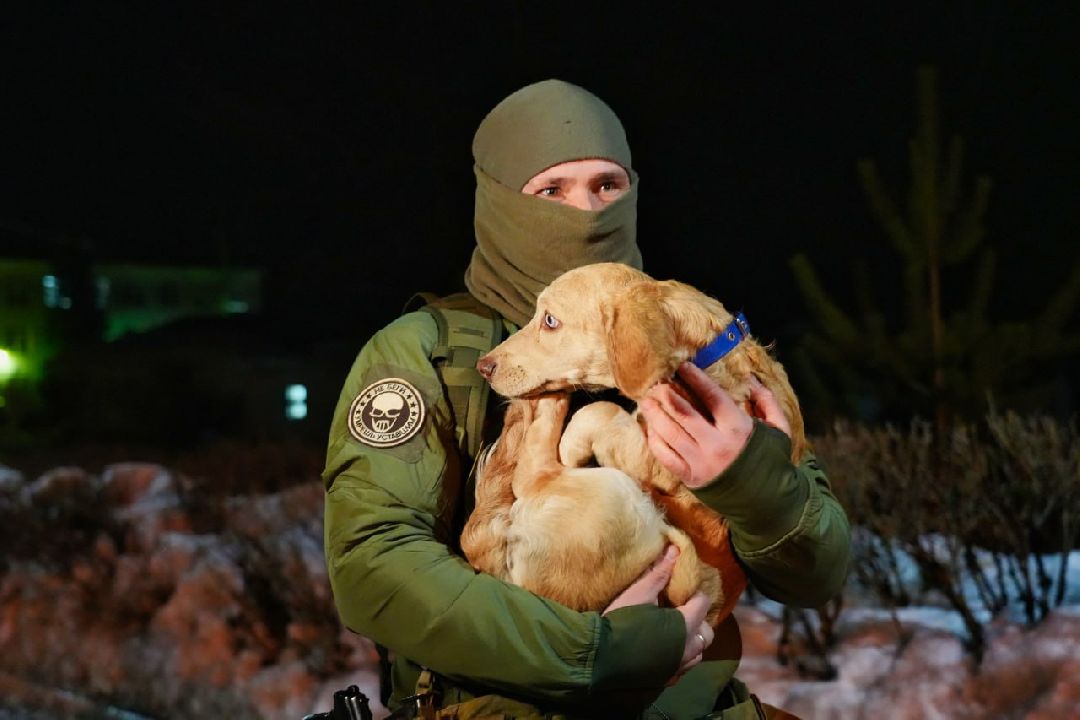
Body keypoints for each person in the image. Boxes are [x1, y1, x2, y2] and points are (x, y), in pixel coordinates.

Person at [323, 79, 851, 719]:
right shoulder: (429, 353)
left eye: (607, 185)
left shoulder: (690, 337)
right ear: (500, 202)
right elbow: (374, 565)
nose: (586, 212)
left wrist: (756, 487)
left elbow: (819, 573)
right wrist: (592, 652)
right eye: (551, 190)